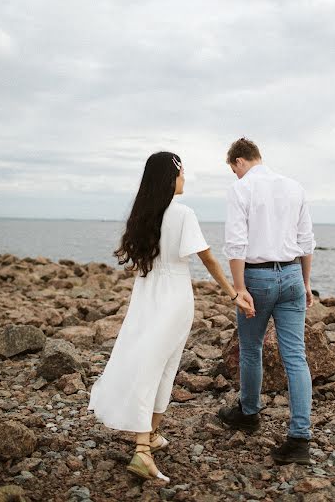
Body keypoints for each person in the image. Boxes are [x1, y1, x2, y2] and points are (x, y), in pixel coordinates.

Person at [88, 151, 255, 483]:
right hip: (174, 298)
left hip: (146, 294)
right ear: (170, 177)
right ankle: (142, 450)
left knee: (145, 359)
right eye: (181, 173)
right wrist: (233, 293)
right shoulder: (183, 214)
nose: (185, 179)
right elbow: (207, 259)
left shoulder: (143, 215)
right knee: (160, 367)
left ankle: (148, 436)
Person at [218, 138, 316, 465]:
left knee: (251, 348)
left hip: (257, 277)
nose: (236, 176)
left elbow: (235, 244)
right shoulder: (294, 187)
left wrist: (238, 288)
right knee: (295, 356)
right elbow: (306, 242)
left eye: (234, 170)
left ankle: (249, 414)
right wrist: (305, 283)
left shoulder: (242, 189)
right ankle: (300, 438)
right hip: (291, 275)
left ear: (240, 161)